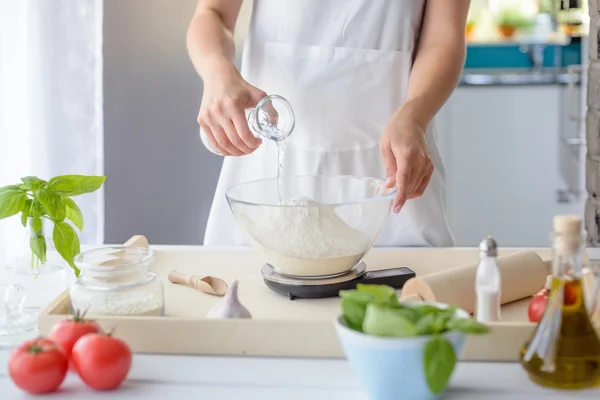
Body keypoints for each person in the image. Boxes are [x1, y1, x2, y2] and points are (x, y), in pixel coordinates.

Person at [187, 0, 470, 247]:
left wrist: (414, 114)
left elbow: (443, 38)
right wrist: (216, 72)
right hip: (266, 179)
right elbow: (213, 12)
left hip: (393, 189)